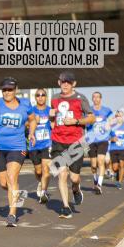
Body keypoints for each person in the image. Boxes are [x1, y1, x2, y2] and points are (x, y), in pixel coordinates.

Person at [41, 71, 95, 219]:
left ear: (74, 84)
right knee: (62, 174)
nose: (65, 84)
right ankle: (65, 207)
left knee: (74, 178)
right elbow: (52, 122)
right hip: (58, 141)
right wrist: (51, 117)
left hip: (77, 142)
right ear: (59, 83)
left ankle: (76, 190)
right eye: (63, 81)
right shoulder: (54, 98)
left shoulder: (80, 98)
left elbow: (91, 118)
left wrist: (76, 121)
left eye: (68, 82)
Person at [0, 77, 32, 227]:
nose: (7, 92)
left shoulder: (25, 104)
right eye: (4, 89)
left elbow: (33, 119)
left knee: (11, 178)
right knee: (4, 183)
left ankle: (12, 215)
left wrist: (31, 132)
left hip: (18, 147)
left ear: (16, 90)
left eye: (10, 89)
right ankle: (16, 192)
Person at [28, 87, 53, 204]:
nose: (41, 97)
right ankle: (40, 182)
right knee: (38, 171)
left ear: (46, 97)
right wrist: (32, 122)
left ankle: (43, 193)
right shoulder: (31, 111)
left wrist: (53, 120)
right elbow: (24, 124)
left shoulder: (50, 110)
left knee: (45, 169)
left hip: (47, 144)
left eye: (43, 95)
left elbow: (55, 126)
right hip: (34, 145)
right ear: (35, 97)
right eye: (38, 95)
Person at [87, 91, 113, 194]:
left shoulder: (107, 111)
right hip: (91, 140)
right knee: (94, 165)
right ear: (92, 99)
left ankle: (99, 185)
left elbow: (112, 123)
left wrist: (111, 133)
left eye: (98, 97)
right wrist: (90, 122)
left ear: (100, 99)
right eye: (94, 97)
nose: (96, 99)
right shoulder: (89, 110)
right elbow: (86, 124)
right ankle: (95, 179)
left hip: (103, 140)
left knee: (101, 161)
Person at [108, 111, 124, 189]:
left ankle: (119, 182)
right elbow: (106, 136)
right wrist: (112, 139)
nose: (119, 118)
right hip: (113, 148)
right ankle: (117, 174)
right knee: (115, 168)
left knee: (122, 165)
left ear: (123, 117)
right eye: (118, 116)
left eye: (121, 116)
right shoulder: (112, 126)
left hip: (123, 148)